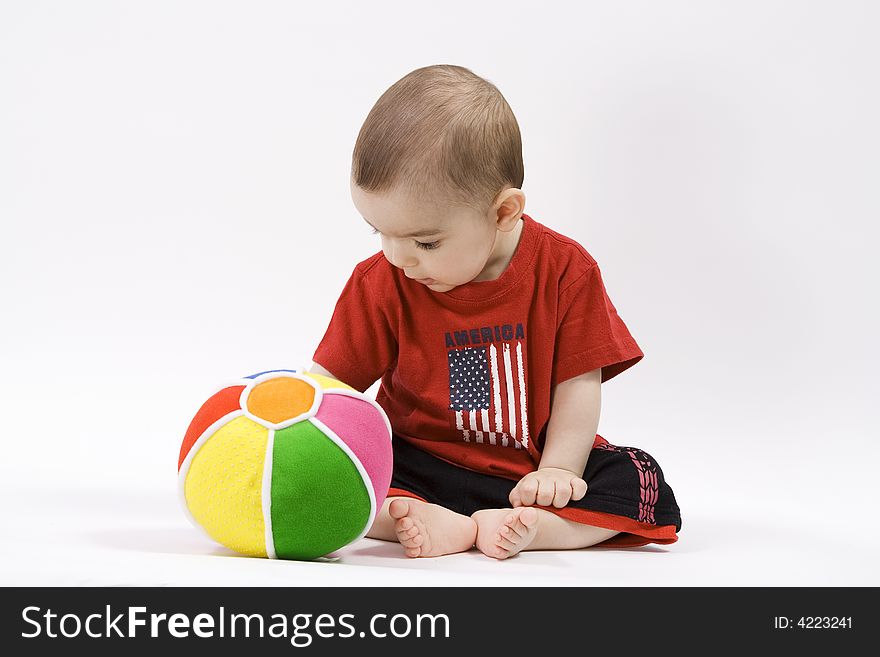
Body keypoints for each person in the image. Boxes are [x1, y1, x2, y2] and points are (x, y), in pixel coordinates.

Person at [310, 64, 681, 560]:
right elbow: (327, 388)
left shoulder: (565, 270)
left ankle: (533, 527)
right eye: (378, 231)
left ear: (504, 212)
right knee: (341, 476)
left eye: (425, 240)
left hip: (527, 474)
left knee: (638, 480)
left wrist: (560, 471)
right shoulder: (382, 279)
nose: (399, 257)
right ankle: (424, 521)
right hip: (417, 461)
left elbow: (578, 384)